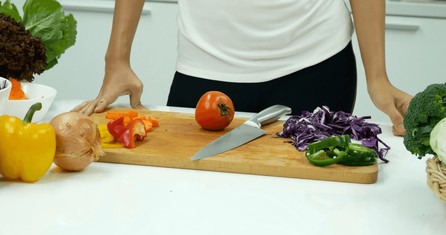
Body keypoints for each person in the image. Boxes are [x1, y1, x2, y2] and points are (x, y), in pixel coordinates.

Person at [72, 0, 412, 136]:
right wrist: (116, 59)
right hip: (204, 70)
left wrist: (378, 78)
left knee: (310, 217)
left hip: (315, 61)